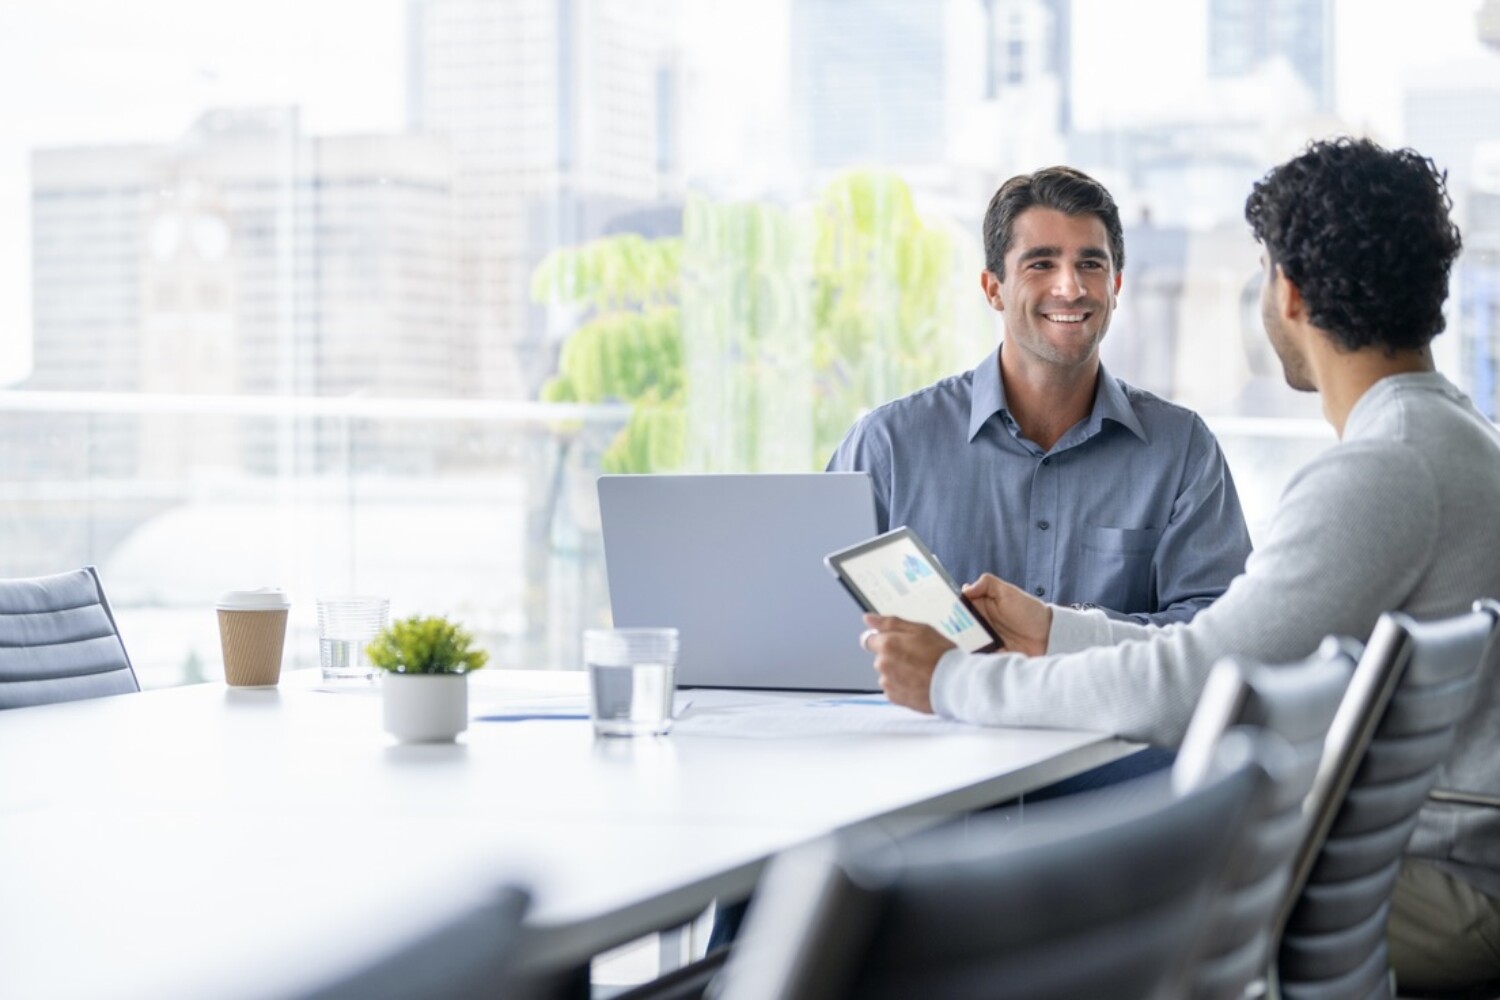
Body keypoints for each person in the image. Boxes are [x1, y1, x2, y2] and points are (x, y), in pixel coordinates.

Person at [861, 137, 1500, 993]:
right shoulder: (1450, 440)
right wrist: (1054, 632)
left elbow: (1202, 682)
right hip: (1437, 862)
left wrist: (952, 682)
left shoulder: (1384, 474)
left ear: (1290, 292)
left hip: (1437, 887)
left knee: (1025, 913)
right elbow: (1225, 651)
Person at [828, 165, 1252, 625]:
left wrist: (1064, 631)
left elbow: (1220, 627)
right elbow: (822, 617)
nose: (1070, 287)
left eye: (1090, 264)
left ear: (1116, 287)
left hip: (1102, 701)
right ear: (994, 289)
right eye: (1041, 264)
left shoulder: (1181, 449)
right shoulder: (887, 445)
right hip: (930, 700)